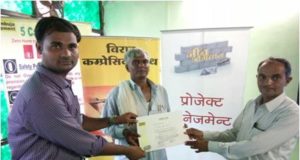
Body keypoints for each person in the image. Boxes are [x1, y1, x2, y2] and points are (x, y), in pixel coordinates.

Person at [8, 16, 145, 160]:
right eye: (56, 46)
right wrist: (128, 151)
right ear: (39, 48)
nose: (66, 54)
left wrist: (115, 120)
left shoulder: (59, 84)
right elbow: (82, 142)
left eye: (72, 46)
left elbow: (77, 122)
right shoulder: (41, 93)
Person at [185, 57, 299, 159]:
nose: (267, 83)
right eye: (262, 77)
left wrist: (210, 146)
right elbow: (234, 134)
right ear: (257, 78)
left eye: (275, 77)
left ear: (287, 81)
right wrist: (204, 135)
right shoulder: (252, 104)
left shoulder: (292, 113)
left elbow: (256, 146)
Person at [102, 48, 170, 160]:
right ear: (127, 67)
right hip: (131, 155)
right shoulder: (117, 93)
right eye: (136, 62)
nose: (141, 65)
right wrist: (124, 132)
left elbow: (167, 119)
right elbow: (106, 126)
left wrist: (176, 128)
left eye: (145, 61)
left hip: (159, 155)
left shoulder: (161, 91)